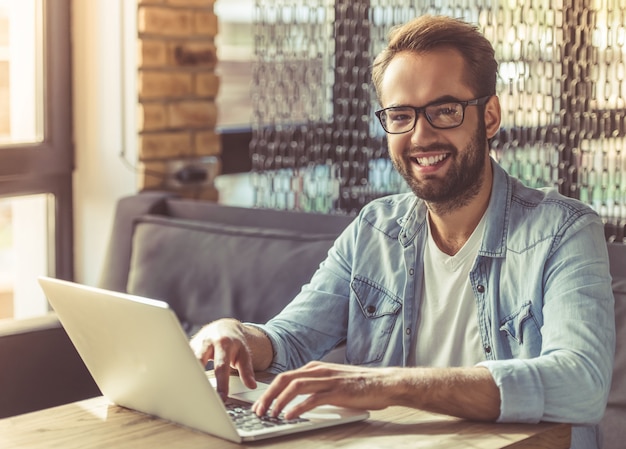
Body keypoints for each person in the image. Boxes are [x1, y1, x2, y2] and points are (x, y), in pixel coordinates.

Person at [190, 15, 615, 449]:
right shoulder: (374, 230)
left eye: (445, 110)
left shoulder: (564, 230)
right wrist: (237, 334)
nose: (420, 135)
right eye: (400, 115)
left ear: (489, 117)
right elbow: (291, 340)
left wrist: (389, 384)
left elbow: (581, 383)